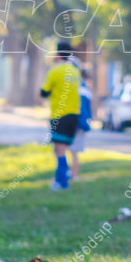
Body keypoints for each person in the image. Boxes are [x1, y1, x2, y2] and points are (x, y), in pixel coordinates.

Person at [40, 42, 81, 191]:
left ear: (57, 54)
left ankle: (62, 182)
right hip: (74, 115)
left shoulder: (55, 71)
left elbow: (44, 92)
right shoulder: (75, 72)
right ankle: (59, 180)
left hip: (60, 115)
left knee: (59, 150)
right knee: (63, 148)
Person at [68, 72, 92, 181]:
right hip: (82, 124)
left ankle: (73, 174)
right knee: (75, 151)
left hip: (74, 123)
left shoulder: (74, 89)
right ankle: (73, 174)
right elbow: (88, 111)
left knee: (71, 151)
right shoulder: (86, 91)